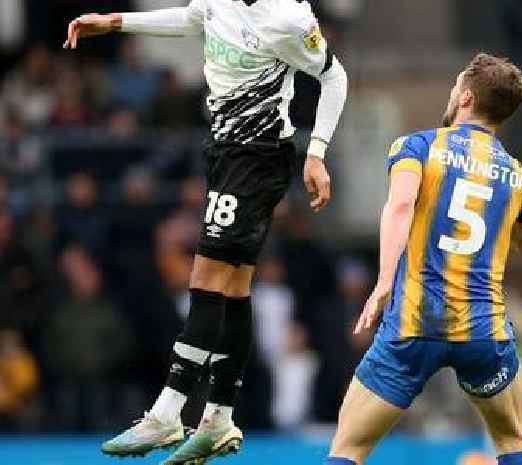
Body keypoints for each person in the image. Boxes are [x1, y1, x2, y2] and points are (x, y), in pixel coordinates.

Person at [63, 1, 348, 463]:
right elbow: (193, 18)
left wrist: (315, 152)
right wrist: (116, 22)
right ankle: (218, 418)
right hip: (222, 150)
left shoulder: (289, 18)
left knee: (205, 279)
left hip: (256, 156)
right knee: (232, 290)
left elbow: (335, 76)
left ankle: (168, 411)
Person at [324, 53, 522, 465]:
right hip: (483, 333)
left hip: (414, 326)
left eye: (455, 86)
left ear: (467, 97)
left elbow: (401, 205)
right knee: (511, 441)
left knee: (348, 448)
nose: (451, 92)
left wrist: (384, 281)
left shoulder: (417, 147)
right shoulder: (520, 177)